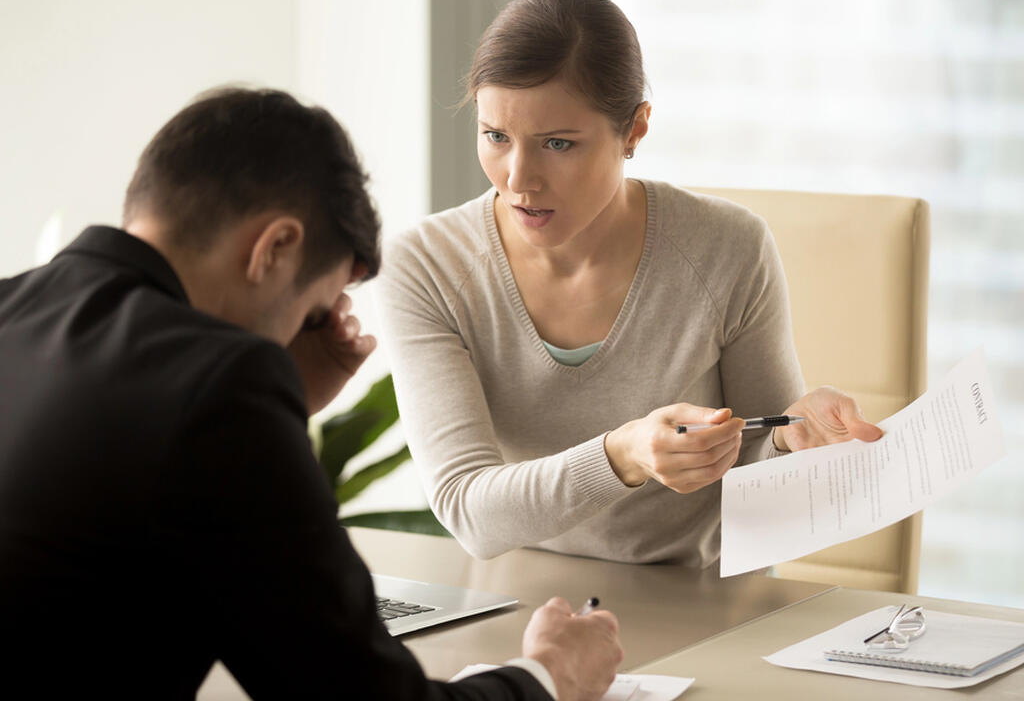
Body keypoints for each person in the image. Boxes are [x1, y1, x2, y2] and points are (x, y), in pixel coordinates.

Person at [0, 87, 622, 700]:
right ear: (275, 248)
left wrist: (284, 399)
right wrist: (549, 677)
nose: (301, 334)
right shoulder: (221, 388)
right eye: (312, 309)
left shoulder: (15, 307)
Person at [375, 0, 884, 565]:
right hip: (520, 608)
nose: (518, 179)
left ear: (635, 130)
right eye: (496, 137)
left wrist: (793, 442)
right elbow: (468, 510)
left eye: (558, 143)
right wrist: (623, 455)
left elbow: (759, 480)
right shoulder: (426, 267)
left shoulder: (729, 249)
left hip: (700, 606)